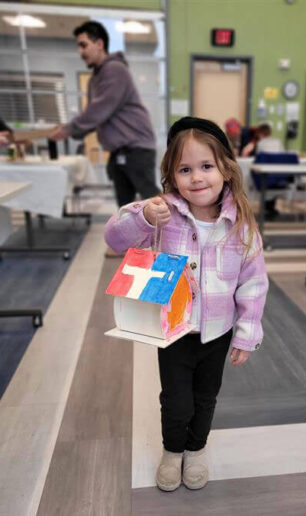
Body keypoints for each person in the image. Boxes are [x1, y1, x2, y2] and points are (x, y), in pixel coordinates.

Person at [105, 116, 268, 491]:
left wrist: (247, 333)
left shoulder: (241, 225)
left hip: (217, 333)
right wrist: (144, 218)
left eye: (206, 166)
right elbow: (114, 239)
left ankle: (196, 450)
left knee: (206, 398)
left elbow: (254, 283)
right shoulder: (161, 213)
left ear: (226, 169)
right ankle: (173, 451)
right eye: (185, 169)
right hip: (173, 332)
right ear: (171, 175)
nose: (197, 177)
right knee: (176, 400)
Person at [49, 21, 160, 209]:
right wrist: (72, 130)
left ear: (99, 44)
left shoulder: (115, 70)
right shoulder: (95, 78)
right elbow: (94, 116)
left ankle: (173, 227)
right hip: (119, 151)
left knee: (153, 201)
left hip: (136, 149)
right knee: (126, 208)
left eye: (84, 45)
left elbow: (99, 110)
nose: (80, 52)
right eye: (79, 46)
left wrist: (69, 129)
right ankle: (132, 230)